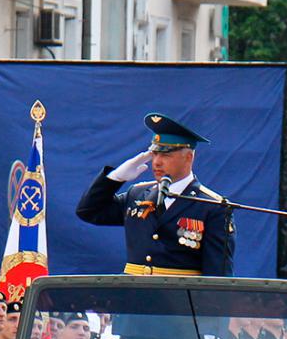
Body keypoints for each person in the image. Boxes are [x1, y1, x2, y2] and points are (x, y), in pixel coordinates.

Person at [76, 112, 235, 277]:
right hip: (135, 293)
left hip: (179, 298)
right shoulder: (138, 194)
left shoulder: (213, 207)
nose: (157, 162)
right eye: (154, 154)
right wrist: (114, 179)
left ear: (188, 157)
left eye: (166, 155)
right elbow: (88, 211)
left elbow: (218, 274)